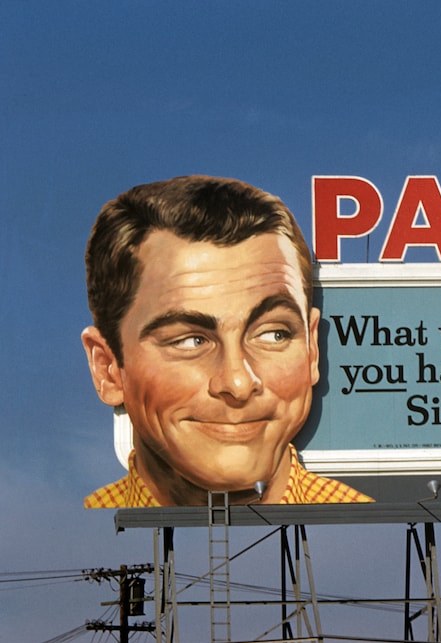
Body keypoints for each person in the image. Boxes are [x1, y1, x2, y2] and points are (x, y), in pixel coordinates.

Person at [81, 175, 373, 507]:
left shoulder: (363, 521)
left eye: (273, 334)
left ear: (312, 350)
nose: (238, 383)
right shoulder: (81, 530)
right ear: (107, 369)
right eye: (190, 341)